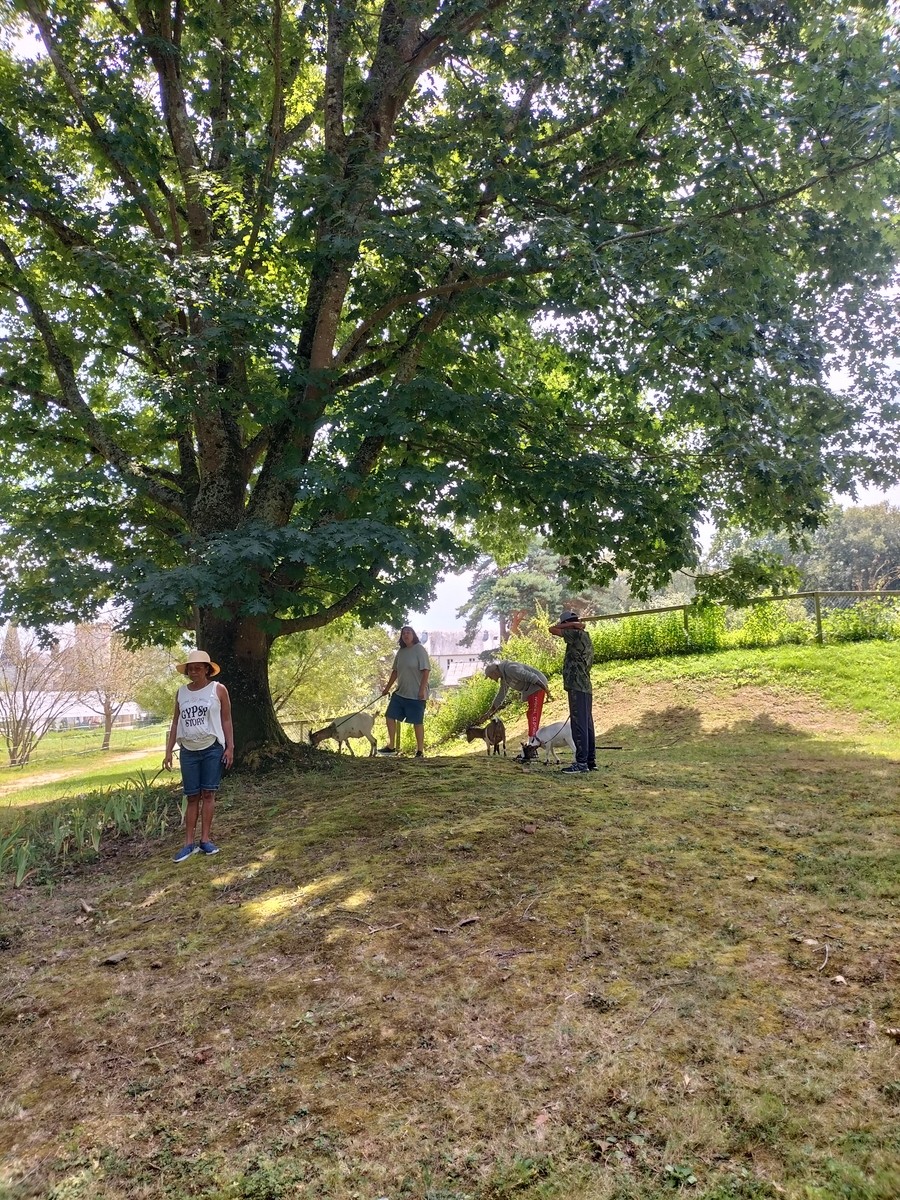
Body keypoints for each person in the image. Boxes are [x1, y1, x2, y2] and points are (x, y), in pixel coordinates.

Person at [163, 649, 234, 861]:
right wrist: (168, 751)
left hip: (212, 747)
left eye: (198, 668)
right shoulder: (181, 693)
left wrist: (230, 746)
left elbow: (227, 720)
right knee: (191, 795)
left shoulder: (218, 690)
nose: (193, 671)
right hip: (189, 751)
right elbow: (176, 722)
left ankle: (205, 840)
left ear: (207, 669)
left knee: (208, 793)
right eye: (190, 669)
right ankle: (188, 844)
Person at [548, 610, 595, 773]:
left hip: (577, 685)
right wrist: (576, 624)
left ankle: (581, 763)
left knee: (579, 724)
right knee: (587, 724)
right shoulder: (584, 636)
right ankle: (590, 761)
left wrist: (571, 625)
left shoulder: (575, 634)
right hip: (584, 686)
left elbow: (552, 629)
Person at [378, 625, 430, 757]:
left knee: (417, 722)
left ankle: (420, 751)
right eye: (403, 633)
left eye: (408, 632)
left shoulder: (419, 649)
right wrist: (387, 689)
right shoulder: (401, 652)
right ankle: (391, 746)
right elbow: (395, 672)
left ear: (413, 635)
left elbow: (426, 671)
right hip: (401, 692)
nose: (406, 635)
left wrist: (422, 690)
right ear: (401, 637)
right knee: (390, 716)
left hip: (417, 694)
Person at [483, 661, 550, 738]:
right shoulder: (504, 678)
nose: (491, 679)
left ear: (494, 673)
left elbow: (532, 677)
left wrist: (546, 690)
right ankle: (533, 738)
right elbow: (500, 696)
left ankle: (533, 739)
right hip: (530, 690)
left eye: (490, 677)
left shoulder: (510, 669)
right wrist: (488, 714)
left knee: (533, 714)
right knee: (530, 714)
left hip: (537, 686)